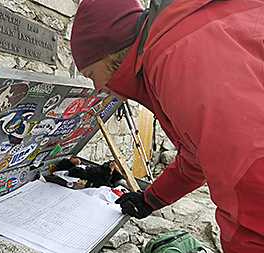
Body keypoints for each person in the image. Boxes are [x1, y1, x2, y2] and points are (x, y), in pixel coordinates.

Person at [70, 0, 264, 252]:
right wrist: (150, 199)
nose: (96, 88)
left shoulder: (177, 56)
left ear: (108, 52)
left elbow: (250, 179)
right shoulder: (177, 40)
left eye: (91, 75)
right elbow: (197, 156)